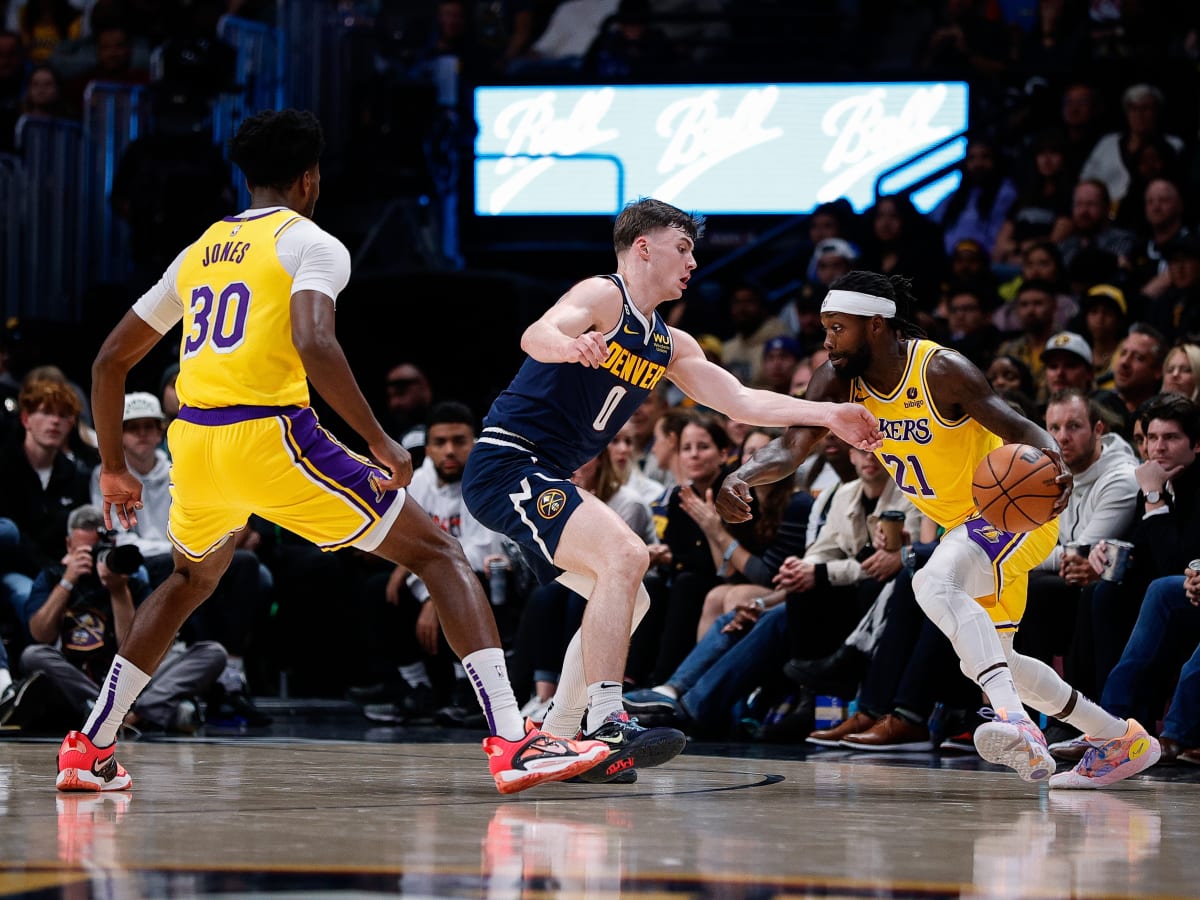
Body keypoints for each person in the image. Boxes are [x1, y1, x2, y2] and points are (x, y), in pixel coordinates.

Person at [54, 109, 610, 796]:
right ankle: (511, 740)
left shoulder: (200, 249)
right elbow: (316, 342)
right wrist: (378, 439)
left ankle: (90, 747)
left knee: (189, 583)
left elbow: (109, 362)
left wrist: (112, 466)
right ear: (310, 178)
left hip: (195, 443)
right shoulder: (310, 241)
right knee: (438, 552)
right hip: (269, 435)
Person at [461, 198, 882, 783]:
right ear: (643, 248)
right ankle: (607, 722)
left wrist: (829, 411)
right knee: (627, 554)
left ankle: (560, 737)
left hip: (543, 475)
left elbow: (740, 401)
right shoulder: (604, 296)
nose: (691, 263)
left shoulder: (671, 344)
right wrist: (570, 344)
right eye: (682, 248)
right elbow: (541, 330)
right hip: (508, 463)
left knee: (631, 597)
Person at [717, 269, 1160, 789]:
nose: (828, 340)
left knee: (931, 581)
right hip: (965, 526)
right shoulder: (836, 379)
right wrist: (743, 473)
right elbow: (791, 448)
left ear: (876, 325)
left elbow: (1018, 425)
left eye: (838, 327)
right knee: (998, 663)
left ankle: (1015, 724)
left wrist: (1054, 461)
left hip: (1013, 509)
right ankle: (1119, 739)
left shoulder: (941, 369)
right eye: (825, 327)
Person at [12, 505, 225, 735]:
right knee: (33, 655)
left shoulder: (131, 581)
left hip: (135, 682)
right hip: (80, 679)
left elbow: (135, 648)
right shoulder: (53, 576)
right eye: (86, 551)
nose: (94, 557)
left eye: (99, 550)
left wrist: (118, 591)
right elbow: (40, 634)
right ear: (69, 545)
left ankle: (129, 714)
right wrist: (67, 582)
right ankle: (137, 713)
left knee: (212, 653)